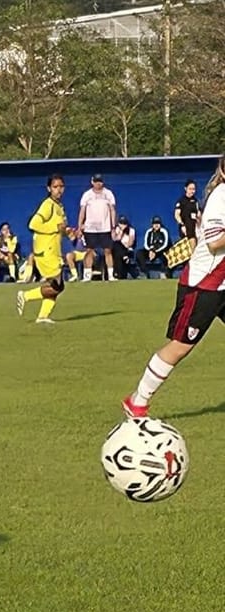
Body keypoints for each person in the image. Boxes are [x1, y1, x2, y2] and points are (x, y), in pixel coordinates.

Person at [123, 156, 225, 417]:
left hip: (221, 284)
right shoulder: (221, 196)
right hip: (204, 285)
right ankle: (137, 401)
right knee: (181, 346)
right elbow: (215, 242)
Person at [17, 173, 72, 324]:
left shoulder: (59, 206)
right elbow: (33, 224)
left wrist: (68, 232)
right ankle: (25, 296)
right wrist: (55, 227)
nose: (59, 190)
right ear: (49, 188)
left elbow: (59, 229)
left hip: (53, 250)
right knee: (58, 286)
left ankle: (42, 317)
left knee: (55, 285)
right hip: (45, 251)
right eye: (55, 187)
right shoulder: (48, 205)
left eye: (61, 186)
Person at [78, 173, 118, 281]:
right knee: (89, 251)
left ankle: (111, 275)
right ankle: (87, 276)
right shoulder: (87, 195)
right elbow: (82, 211)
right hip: (90, 228)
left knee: (107, 251)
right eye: (96, 181)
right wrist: (80, 226)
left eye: (100, 181)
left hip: (105, 228)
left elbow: (112, 210)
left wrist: (113, 227)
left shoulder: (108, 194)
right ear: (92, 182)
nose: (98, 184)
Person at [174, 179, 202, 249]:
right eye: (190, 189)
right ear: (185, 188)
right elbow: (177, 215)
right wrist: (182, 225)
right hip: (186, 229)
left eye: (193, 189)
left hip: (195, 229)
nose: (192, 191)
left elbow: (199, 214)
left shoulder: (196, 201)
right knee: (190, 248)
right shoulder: (181, 201)